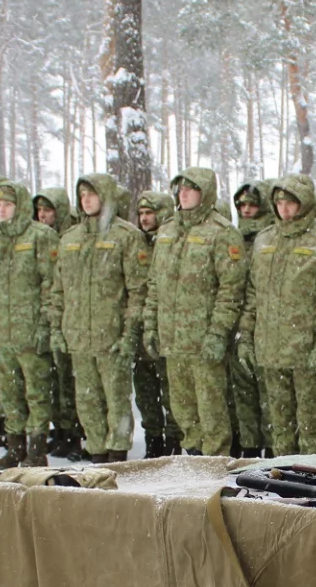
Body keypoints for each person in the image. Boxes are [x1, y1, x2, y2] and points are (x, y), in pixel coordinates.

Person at [240, 174, 316, 456]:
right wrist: (246, 337)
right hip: (270, 350)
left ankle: (310, 478)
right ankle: (282, 477)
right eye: (279, 202)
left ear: (305, 203)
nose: (284, 209)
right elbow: (254, 295)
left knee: (310, 423)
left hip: (306, 350)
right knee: (279, 424)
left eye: (291, 202)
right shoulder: (265, 240)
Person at [143, 167, 245, 457]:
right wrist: (151, 326)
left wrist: (218, 334)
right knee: (183, 410)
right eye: (181, 188)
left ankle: (215, 470)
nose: (184, 193)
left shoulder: (222, 233)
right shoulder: (167, 231)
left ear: (206, 193)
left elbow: (231, 291)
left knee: (211, 413)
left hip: (203, 342)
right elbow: (155, 286)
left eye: (191, 188)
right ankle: (194, 461)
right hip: (174, 341)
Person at [52, 173, 148, 462]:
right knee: (87, 401)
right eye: (82, 196)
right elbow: (58, 290)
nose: (87, 200)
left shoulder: (126, 236)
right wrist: (58, 329)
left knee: (116, 401)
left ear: (105, 197)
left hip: (112, 338)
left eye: (92, 194)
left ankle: (117, 457)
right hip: (79, 338)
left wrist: (128, 334)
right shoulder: (70, 239)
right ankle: (96, 452)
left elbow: (138, 291)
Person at [0, 181, 59, 466]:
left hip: (29, 332)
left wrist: (45, 326)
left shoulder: (40, 236)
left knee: (36, 394)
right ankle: (14, 447)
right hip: (2, 332)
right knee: (9, 393)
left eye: (7, 204)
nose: (0, 209)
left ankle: (36, 450)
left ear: (19, 206)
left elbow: (51, 284)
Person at [35, 187, 88, 460]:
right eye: (40, 211)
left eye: (48, 210)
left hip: (78, 321)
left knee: (74, 384)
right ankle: (63, 431)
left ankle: (76, 434)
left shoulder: (73, 236)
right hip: (58, 319)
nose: (43, 216)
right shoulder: (41, 237)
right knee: (57, 384)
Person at [131, 191, 180, 456]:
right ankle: (153, 439)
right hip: (140, 328)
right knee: (145, 391)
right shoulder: (134, 243)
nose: (145, 218)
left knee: (171, 390)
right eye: (141, 214)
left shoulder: (174, 241)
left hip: (167, 328)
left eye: (150, 213)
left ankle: (173, 439)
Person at [231, 179, 276, 456]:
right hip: (237, 323)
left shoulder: (271, 237)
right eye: (242, 204)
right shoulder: (233, 236)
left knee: (269, 396)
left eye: (252, 204)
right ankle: (247, 446)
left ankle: (271, 450)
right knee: (241, 393)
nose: (246, 209)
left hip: (270, 325)